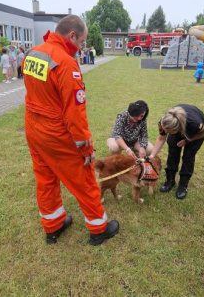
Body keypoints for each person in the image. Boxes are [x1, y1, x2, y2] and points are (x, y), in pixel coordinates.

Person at [22, 15, 119, 245]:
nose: (81, 47)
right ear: (71, 35)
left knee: (45, 178)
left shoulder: (33, 54)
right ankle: (99, 229)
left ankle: (53, 226)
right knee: (84, 180)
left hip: (33, 129)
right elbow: (75, 113)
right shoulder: (66, 63)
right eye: (81, 42)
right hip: (56, 133)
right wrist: (87, 149)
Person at [150, 104, 204, 199]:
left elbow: (202, 134)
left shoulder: (195, 124)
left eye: (168, 132)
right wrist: (151, 156)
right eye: (165, 130)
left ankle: (183, 185)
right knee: (172, 153)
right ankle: (170, 181)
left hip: (195, 134)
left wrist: (187, 140)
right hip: (177, 127)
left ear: (177, 129)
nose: (166, 133)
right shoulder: (164, 122)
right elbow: (161, 139)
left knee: (188, 157)